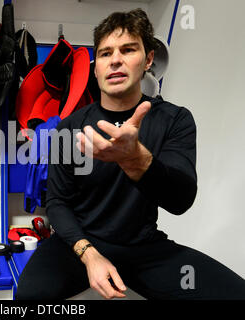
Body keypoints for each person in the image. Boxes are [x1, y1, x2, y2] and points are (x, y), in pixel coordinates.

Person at [15, 8, 245, 300]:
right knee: (27, 300)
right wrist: (89, 255)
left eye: (128, 49)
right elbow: (57, 202)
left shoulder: (173, 119)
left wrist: (135, 158)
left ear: (148, 59)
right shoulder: (69, 126)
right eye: (105, 53)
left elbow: (181, 200)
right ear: (95, 67)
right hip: (77, 245)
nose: (115, 60)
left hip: (144, 248)